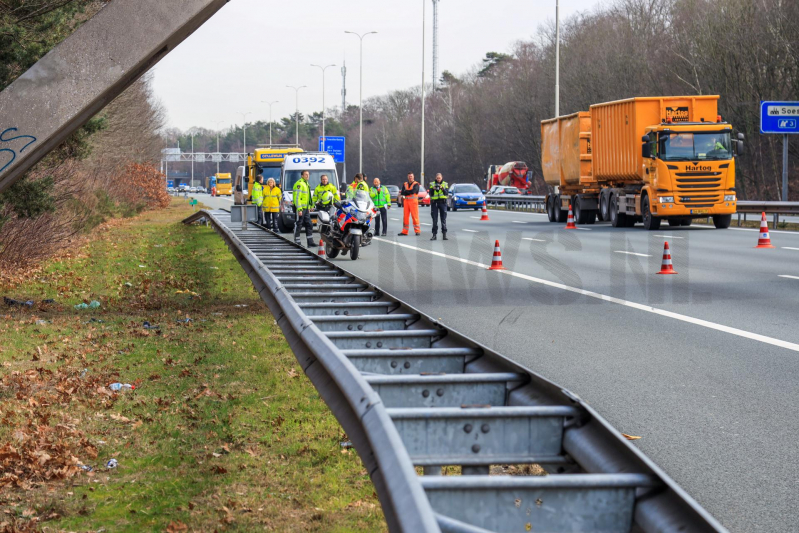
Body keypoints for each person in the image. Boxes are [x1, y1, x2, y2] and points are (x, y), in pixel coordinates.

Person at [293, 170, 315, 247]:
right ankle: (297, 242)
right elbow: (297, 198)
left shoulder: (306, 184)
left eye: (308, 174)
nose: (307, 176)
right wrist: (299, 209)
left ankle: (310, 242)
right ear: (302, 175)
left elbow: (308, 198)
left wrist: (309, 207)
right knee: (299, 224)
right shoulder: (299, 184)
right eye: (305, 174)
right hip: (301, 209)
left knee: (309, 224)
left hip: (306, 209)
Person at [429, 173, 448, 240]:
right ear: (436, 178)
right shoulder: (432, 184)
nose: (438, 179)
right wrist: (433, 189)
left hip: (443, 202)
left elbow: (446, 193)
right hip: (435, 203)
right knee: (434, 219)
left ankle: (444, 235)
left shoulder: (445, 184)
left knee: (443, 219)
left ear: (442, 178)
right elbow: (430, 194)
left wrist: (442, 188)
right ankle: (434, 235)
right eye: (437, 178)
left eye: (439, 178)